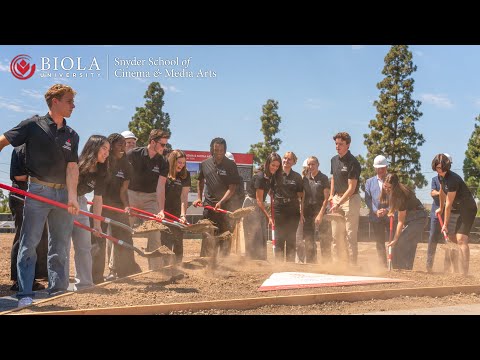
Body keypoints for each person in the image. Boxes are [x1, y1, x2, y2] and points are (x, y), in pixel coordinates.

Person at [0, 84, 80, 307]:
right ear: (55, 102)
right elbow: (3, 141)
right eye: (69, 101)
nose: (73, 105)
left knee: (61, 244)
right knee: (30, 242)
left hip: (63, 193)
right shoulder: (32, 125)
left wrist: (73, 197)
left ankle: (57, 291)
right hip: (38, 191)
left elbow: (72, 168)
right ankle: (25, 294)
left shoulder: (72, 135)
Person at [92, 133, 141, 283]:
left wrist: (127, 206)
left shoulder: (127, 166)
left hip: (118, 206)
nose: (123, 148)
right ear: (111, 145)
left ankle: (125, 272)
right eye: (120, 144)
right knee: (98, 240)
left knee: (125, 236)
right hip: (101, 203)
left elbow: (123, 190)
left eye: (124, 145)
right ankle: (96, 276)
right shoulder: (104, 161)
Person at [71, 135, 109, 290]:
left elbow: (98, 199)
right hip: (65, 198)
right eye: (104, 148)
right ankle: (58, 285)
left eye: (108, 149)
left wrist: (97, 224)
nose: (107, 153)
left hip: (81, 202)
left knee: (84, 245)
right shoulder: (77, 165)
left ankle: (85, 284)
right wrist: (70, 200)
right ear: (94, 148)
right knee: (61, 245)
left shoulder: (101, 171)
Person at [127, 129, 169, 270]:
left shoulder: (163, 162)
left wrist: (161, 210)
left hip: (150, 198)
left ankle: (156, 269)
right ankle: (118, 268)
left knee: (154, 231)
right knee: (122, 229)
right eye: (162, 145)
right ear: (152, 142)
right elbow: (123, 178)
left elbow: (161, 186)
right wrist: (125, 202)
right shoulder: (133, 154)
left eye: (165, 145)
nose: (164, 148)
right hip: (130, 194)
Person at [8, 145, 48, 291]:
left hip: (36, 197)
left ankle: (32, 276)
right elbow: (19, 176)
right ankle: (18, 279)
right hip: (20, 195)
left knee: (38, 237)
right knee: (22, 237)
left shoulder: (39, 149)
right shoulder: (21, 149)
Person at [193, 137, 240, 257]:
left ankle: (223, 264)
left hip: (225, 208)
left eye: (221, 150)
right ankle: (206, 262)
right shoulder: (204, 164)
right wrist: (199, 197)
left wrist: (221, 201)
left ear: (225, 150)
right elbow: (200, 181)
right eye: (216, 150)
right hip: (209, 207)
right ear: (211, 149)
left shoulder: (231, 165)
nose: (219, 152)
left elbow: (232, 187)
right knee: (208, 236)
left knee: (224, 236)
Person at [433, 153, 477, 275]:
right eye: (437, 168)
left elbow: (449, 204)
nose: (440, 171)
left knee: (461, 239)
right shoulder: (441, 176)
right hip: (458, 208)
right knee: (452, 238)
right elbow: (442, 192)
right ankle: (455, 270)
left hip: (468, 208)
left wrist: (445, 224)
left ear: (447, 167)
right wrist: (440, 208)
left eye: (442, 168)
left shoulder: (452, 180)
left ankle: (464, 273)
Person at [381, 173, 427, 270]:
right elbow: (396, 206)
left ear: (395, 186)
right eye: (385, 186)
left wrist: (395, 239)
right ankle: (401, 268)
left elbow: (400, 221)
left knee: (401, 241)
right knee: (406, 243)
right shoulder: (391, 192)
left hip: (418, 218)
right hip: (410, 218)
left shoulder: (401, 194)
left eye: (389, 187)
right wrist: (391, 211)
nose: (387, 189)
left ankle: (404, 269)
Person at [329, 132, 361, 265]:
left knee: (350, 235)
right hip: (337, 198)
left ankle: (352, 265)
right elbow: (333, 179)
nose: (337, 146)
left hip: (351, 199)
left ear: (348, 145)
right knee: (335, 235)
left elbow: (351, 188)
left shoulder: (353, 162)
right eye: (336, 144)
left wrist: (340, 203)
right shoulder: (333, 160)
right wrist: (332, 196)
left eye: (341, 144)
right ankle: (337, 265)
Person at [242, 153, 282, 260]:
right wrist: (269, 217)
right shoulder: (260, 177)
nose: (275, 168)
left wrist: (271, 193)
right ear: (268, 163)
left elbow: (266, 191)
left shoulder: (270, 177)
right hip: (251, 204)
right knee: (255, 233)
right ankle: (252, 260)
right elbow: (259, 200)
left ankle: (261, 259)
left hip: (259, 204)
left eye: (277, 166)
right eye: (273, 165)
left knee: (262, 232)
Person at [270, 151, 304, 262]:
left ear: (294, 162)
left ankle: (290, 265)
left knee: (291, 237)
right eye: (285, 158)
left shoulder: (297, 177)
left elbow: (301, 196)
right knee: (279, 236)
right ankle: (278, 264)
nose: (286, 161)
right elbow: (270, 192)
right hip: (279, 208)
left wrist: (301, 212)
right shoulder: (275, 174)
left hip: (293, 209)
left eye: (289, 159)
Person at [162, 150, 191, 263]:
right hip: (164, 212)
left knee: (178, 240)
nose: (181, 165)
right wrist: (160, 211)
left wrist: (183, 214)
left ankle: (178, 266)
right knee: (166, 239)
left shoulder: (186, 174)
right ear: (172, 161)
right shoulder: (164, 172)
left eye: (183, 163)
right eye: (179, 162)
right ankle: (166, 266)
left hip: (177, 213)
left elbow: (184, 196)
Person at [426, 153, 453, 272]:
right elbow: (432, 193)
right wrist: (441, 193)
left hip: (448, 214)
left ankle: (447, 268)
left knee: (449, 239)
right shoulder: (434, 179)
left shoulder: (452, 180)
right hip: (436, 213)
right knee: (432, 238)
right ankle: (429, 266)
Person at [301, 156, 329, 264]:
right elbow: (303, 197)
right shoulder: (305, 179)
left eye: (313, 164)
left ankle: (327, 265)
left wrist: (320, 214)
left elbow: (326, 198)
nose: (311, 166)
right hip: (308, 213)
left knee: (324, 239)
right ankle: (311, 264)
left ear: (318, 164)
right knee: (309, 240)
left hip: (321, 212)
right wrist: (302, 212)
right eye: (309, 164)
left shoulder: (324, 178)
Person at [364, 155, 391, 267]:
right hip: (376, 216)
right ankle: (382, 265)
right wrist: (375, 211)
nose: (380, 170)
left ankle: (394, 263)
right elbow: (367, 199)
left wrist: (388, 210)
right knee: (379, 242)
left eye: (382, 168)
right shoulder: (369, 182)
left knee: (392, 240)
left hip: (390, 216)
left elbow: (396, 198)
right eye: (378, 168)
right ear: (375, 168)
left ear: (386, 167)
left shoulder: (392, 180)